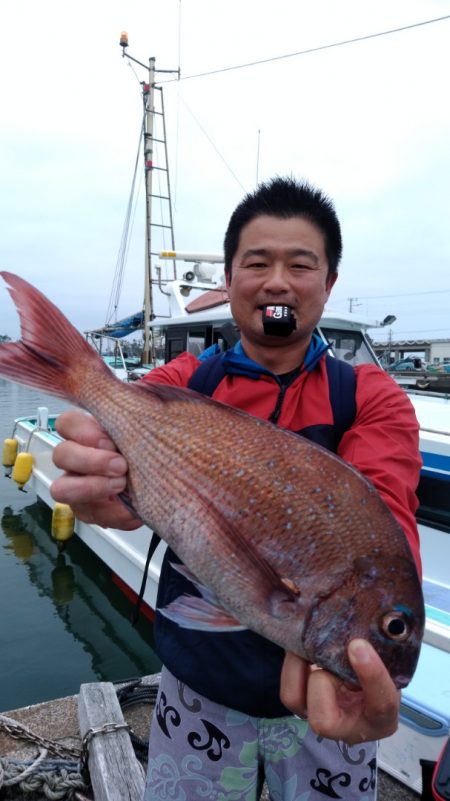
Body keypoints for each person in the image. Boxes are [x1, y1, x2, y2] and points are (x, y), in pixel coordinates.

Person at [51, 177, 422, 801]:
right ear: (229, 281)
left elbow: (386, 521)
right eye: (257, 262)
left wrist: (375, 643)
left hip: (328, 711)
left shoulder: (368, 396)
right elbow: (118, 469)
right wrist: (99, 481)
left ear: (327, 285)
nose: (278, 280)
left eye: (301, 264)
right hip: (198, 689)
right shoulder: (183, 382)